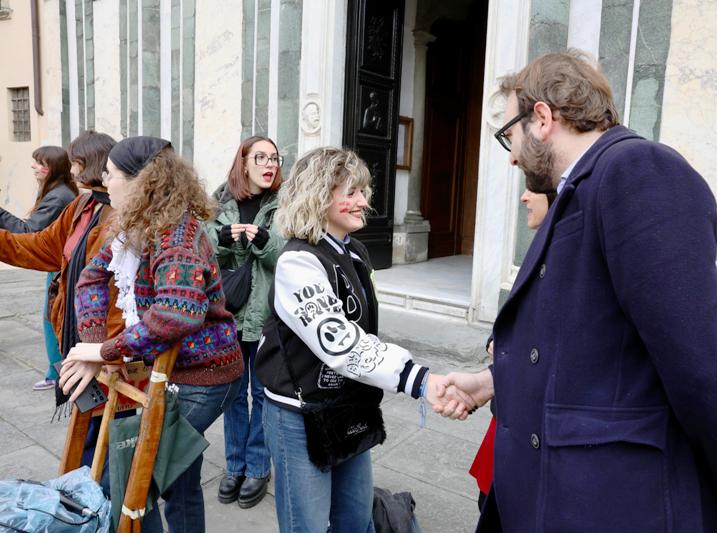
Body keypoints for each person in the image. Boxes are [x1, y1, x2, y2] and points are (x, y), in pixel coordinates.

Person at [443, 49, 717, 532]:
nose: (511, 155)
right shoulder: (581, 188)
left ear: (541, 118)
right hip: (554, 497)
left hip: (612, 501)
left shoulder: (638, 170)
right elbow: (576, 343)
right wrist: (494, 381)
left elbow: (702, 360)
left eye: (507, 136)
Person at [254, 147, 473, 532]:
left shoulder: (354, 250)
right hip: (299, 414)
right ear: (318, 195)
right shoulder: (298, 261)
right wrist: (419, 380)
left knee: (355, 519)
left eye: (363, 191)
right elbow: (340, 342)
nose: (363, 201)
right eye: (351, 192)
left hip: (347, 406)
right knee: (306, 525)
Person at [58, 136, 244, 533]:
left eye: (110, 175)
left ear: (141, 180)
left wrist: (104, 352)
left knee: (138, 481)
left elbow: (176, 315)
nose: (104, 182)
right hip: (171, 370)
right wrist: (92, 344)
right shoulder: (135, 227)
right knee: (177, 478)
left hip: (205, 376)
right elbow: (90, 276)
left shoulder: (177, 236)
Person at [0, 131, 119, 397]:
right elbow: (42, 246)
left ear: (89, 162)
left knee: (109, 429)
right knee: (89, 424)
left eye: (74, 161)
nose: (72, 169)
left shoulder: (122, 213)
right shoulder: (83, 204)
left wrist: (107, 351)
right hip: (78, 336)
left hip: (106, 346)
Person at [207, 136, 285, 508]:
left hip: (268, 316)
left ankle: (257, 466)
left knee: (263, 395)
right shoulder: (220, 202)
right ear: (243, 163)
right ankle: (234, 466)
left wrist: (267, 242)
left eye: (274, 158)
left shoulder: (284, 205)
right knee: (233, 396)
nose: (269, 164)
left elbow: (291, 253)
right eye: (261, 157)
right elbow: (201, 248)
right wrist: (222, 239)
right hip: (229, 315)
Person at [469, 187, 555, 510]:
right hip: (508, 417)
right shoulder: (541, 247)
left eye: (533, 189)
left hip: (533, 428)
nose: (523, 196)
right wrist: (497, 341)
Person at [0, 145, 78, 390]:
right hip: (59, 262)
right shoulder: (58, 192)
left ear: (51, 168)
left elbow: (28, 232)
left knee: (53, 319)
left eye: (39, 162)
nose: (33, 166)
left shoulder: (59, 196)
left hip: (58, 264)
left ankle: (58, 373)